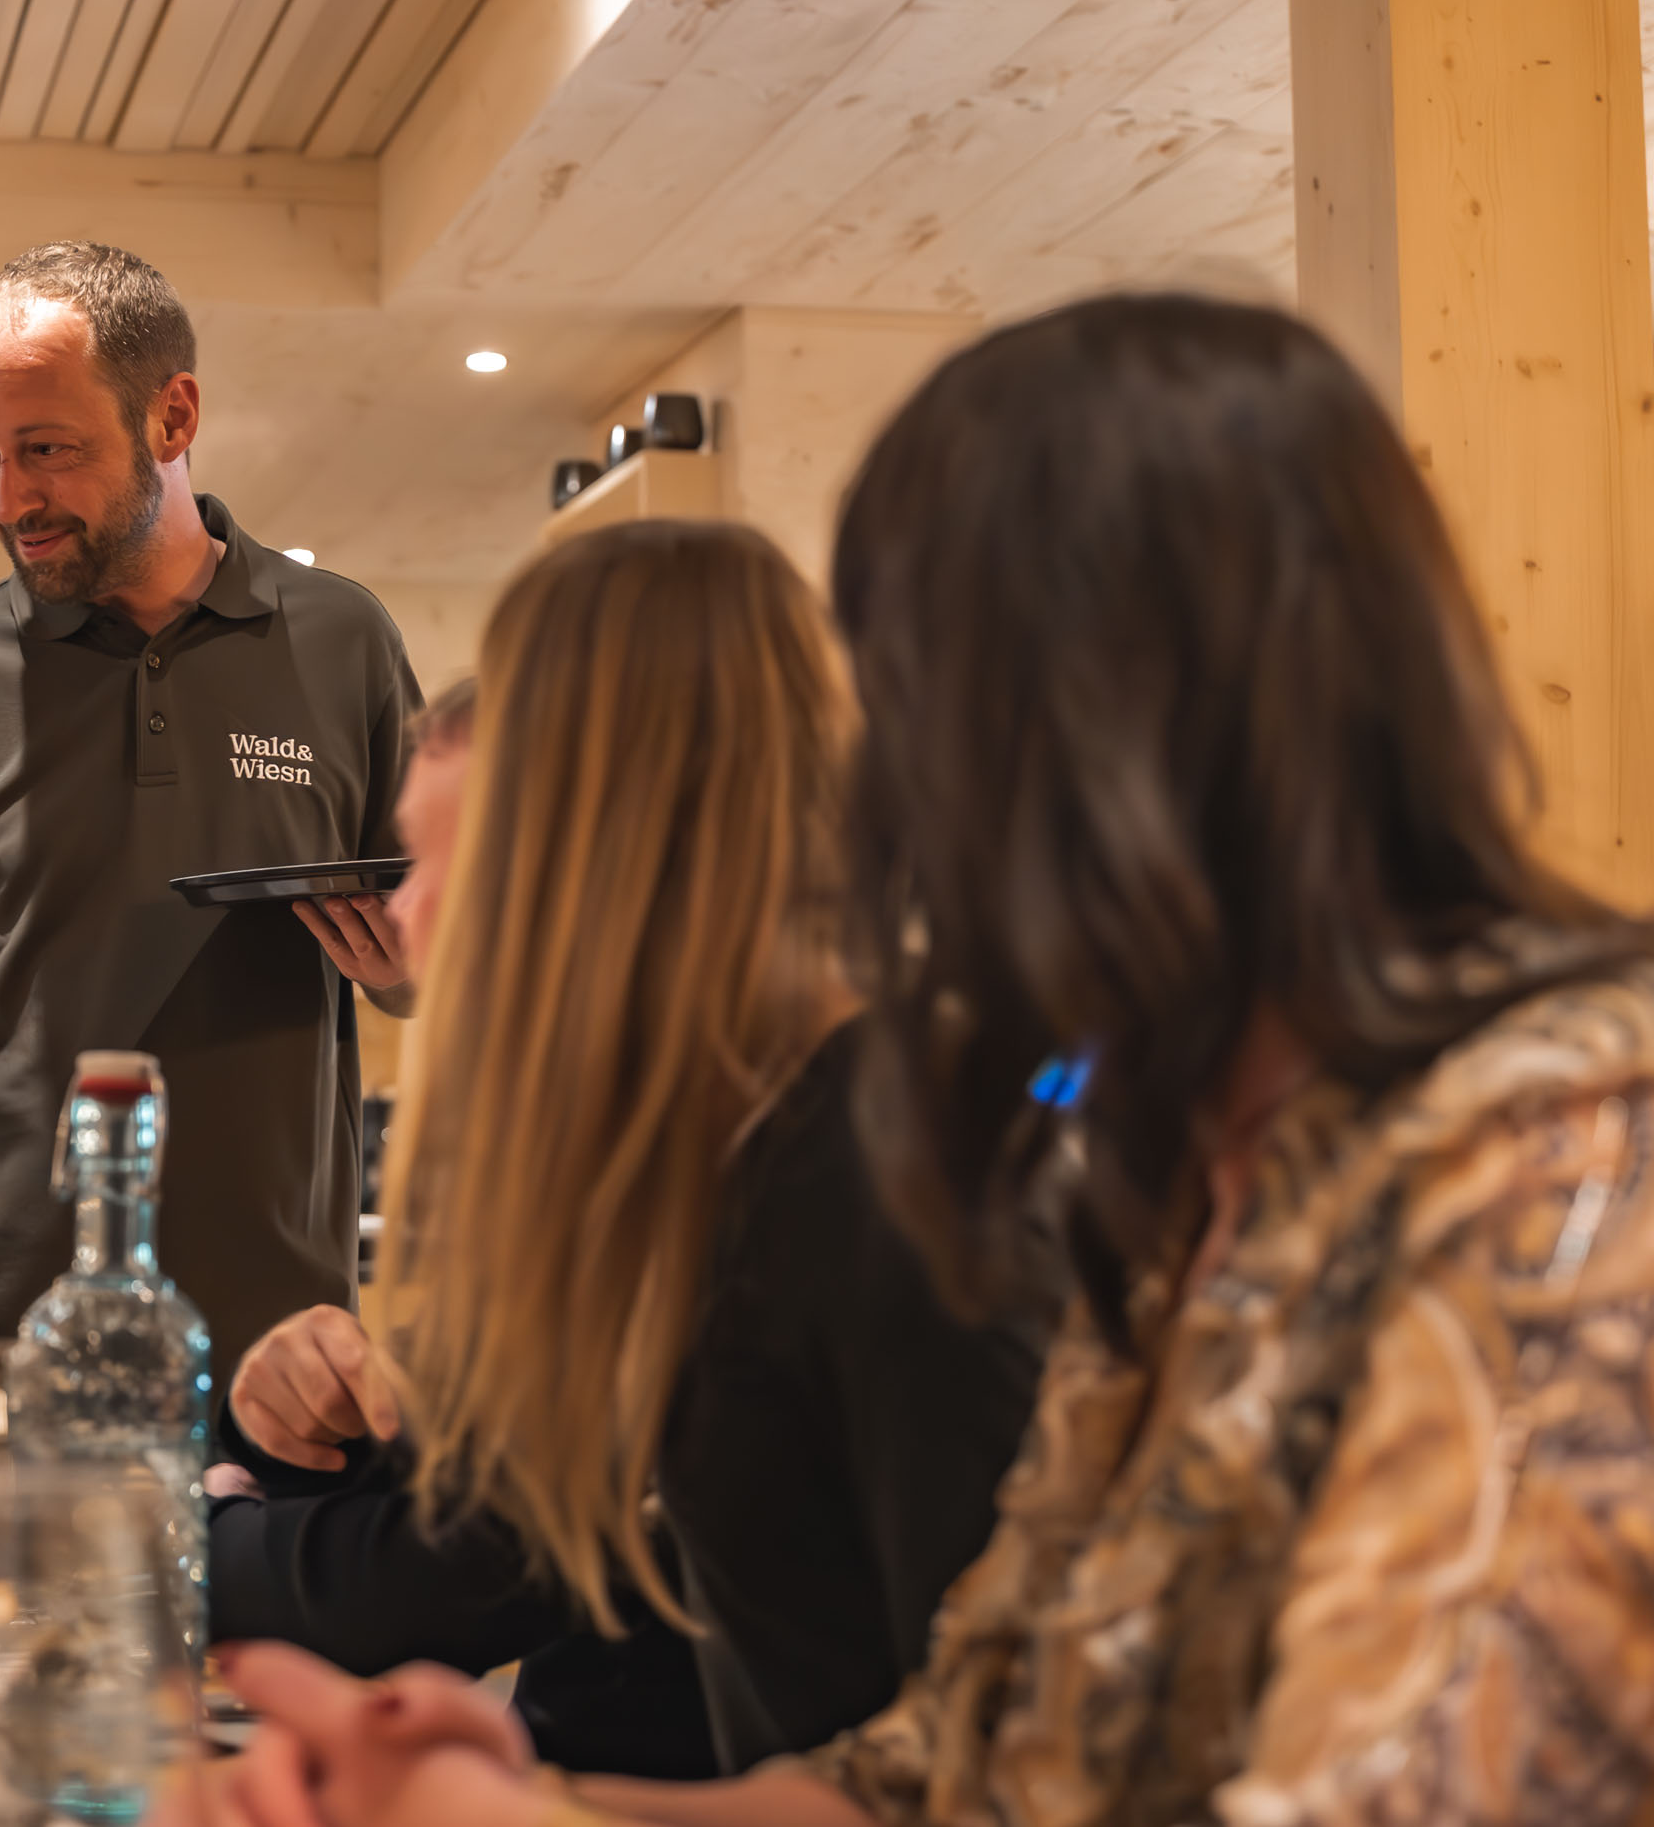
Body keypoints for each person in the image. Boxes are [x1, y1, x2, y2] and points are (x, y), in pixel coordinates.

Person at [166, 293, 1654, 1827]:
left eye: (928, 702)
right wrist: (505, 1803)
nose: (882, 809)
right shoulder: (1195, 1183)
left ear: (1139, 715)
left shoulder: (1567, 1151)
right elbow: (954, 1768)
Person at [205, 523, 1041, 1777]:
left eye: (436, 860)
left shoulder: (877, 1187)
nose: (402, 910)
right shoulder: (721, 1162)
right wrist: (298, 1441)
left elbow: (985, 1771)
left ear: (593, 854)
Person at [0, 241, 421, 1377]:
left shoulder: (343, 641)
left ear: (172, 417)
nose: (8, 498)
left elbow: (431, 951)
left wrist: (411, 964)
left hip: (274, 1340)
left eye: (47, 450)